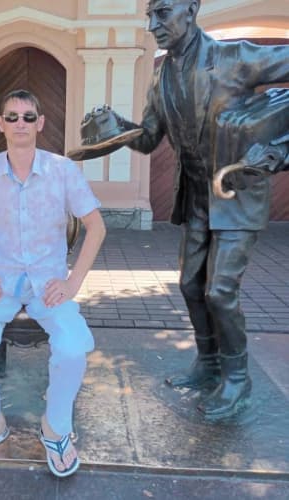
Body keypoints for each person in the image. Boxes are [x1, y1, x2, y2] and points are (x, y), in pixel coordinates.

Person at [118, 0, 289, 419]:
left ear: (191, 9)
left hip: (237, 194)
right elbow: (149, 138)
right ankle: (208, 363)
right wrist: (117, 131)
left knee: (220, 291)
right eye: (149, 15)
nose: (153, 24)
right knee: (191, 286)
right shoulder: (161, 74)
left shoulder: (236, 57)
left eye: (162, 12)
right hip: (195, 196)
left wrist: (280, 148)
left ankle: (237, 378)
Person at [0, 89, 106, 476]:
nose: (20, 123)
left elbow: (96, 227)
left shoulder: (63, 170)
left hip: (49, 283)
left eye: (28, 116)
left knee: (72, 349)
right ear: (0, 124)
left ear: (40, 123)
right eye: (12, 117)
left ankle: (56, 428)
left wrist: (73, 283)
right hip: (0, 281)